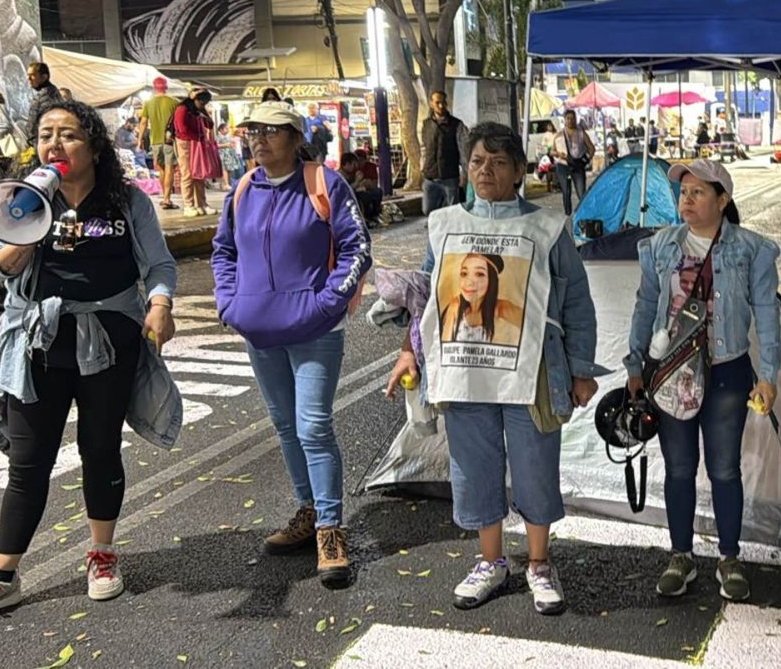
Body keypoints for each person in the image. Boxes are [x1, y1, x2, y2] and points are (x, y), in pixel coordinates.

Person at [0, 98, 183, 628]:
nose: (55, 144)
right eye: (46, 134)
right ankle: (2, 577)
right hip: (38, 342)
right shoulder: (22, 199)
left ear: (92, 146)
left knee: (99, 447)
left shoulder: (125, 201)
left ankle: (101, 552)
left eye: (68, 134)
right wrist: (26, 229)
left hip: (109, 339)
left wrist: (159, 305)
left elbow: (157, 264)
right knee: (29, 460)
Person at [384, 122, 603, 616]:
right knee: (475, 466)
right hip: (466, 374)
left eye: (499, 163)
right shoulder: (444, 225)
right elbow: (426, 297)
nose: (486, 171)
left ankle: (539, 563)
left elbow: (578, 302)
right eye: (478, 161)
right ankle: (491, 561)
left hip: (533, 375)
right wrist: (408, 352)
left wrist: (581, 369)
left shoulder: (547, 228)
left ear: (520, 171)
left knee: (535, 466)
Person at [212, 100, 372, 589]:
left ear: (295, 136)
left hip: (316, 330)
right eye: (252, 131)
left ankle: (329, 528)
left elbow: (356, 248)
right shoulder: (242, 190)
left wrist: (325, 305)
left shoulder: (324, 182)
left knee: (313, 426)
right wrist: (229, 304)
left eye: (271, 130)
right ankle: (307, 510)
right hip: (260, 330)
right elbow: (224, 251)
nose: (259, 139)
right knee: (285, 425)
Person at [624, 158, 781, 602]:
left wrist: (767, 376)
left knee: (725, 469)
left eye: (697, 192)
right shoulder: (660, 246)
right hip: (671, 372)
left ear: (722, 200)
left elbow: (768, 318)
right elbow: (645, 306)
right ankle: (681, 555)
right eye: (683, 192)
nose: (686, 200)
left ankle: (729, 558)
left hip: (728, 372)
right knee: (678, 468)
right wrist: (635, 365)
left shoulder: (753, 250)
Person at [440, 252, 524, 344]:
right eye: (464, 273)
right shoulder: (456, 305)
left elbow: (533, 323)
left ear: (492, 280)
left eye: (479, 274)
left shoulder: (499, 308)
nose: (469, 282)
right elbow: (444, 346)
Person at [171, 89, 219, 218]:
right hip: (185, 143)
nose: (203, 105)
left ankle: (202, 204)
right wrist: (196, 138)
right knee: (187, 174)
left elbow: (210, 125)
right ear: (195, 99)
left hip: (198, 143)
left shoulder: (200, 110)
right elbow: (181, 129)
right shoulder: (182, 109)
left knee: (199, 174)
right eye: (202, 102)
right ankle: (188, 205)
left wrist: (204, 116)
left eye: (205, 103)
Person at [419, 90, 468, 215]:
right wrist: (422, 168)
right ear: (431, 104)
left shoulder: (457, 125)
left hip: (450, 176)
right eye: (437, 102)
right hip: (430, 176)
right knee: (427, 210)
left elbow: (464, 150)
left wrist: (464, 173)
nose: (441, 106)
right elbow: (423, 148)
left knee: (453, 211)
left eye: (443, 102)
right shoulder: (426, 125)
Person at [137, 78, 180, 210]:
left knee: (161, 168)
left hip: (155, 141)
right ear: (166, 87)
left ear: (154, 87)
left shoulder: (148, 103)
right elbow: (178, 123)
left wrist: (140, 140)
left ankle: (164, 196)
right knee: (169, 168)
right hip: (170, 140)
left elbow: (143, 122)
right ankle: (167, 198)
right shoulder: (174, 102)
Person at [551, 109, 595, 215]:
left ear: (576, 119)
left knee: (581, 193)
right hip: (563, 165)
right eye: (568, 119)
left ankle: (584, 214)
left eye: (572, 118)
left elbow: (591, 148)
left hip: (577, 165)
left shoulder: (581, 133)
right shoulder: (559, 135)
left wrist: (586, 160)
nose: (570, 121)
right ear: (565, 120)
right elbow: (552, 151)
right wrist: (558, 154)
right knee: (566, 192)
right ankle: (568, 215)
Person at [338, 152, 384, 226]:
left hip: (357, 193)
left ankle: (374, 215)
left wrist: (364, 184)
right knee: (364, 197)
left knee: (377, 192)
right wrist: (357, 181)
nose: (355, 167)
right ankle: (366, 218)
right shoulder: (339, 176)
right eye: (354, 164)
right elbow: (347, 190)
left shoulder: (351, 173)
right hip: (347, 199)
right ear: (347, 164)